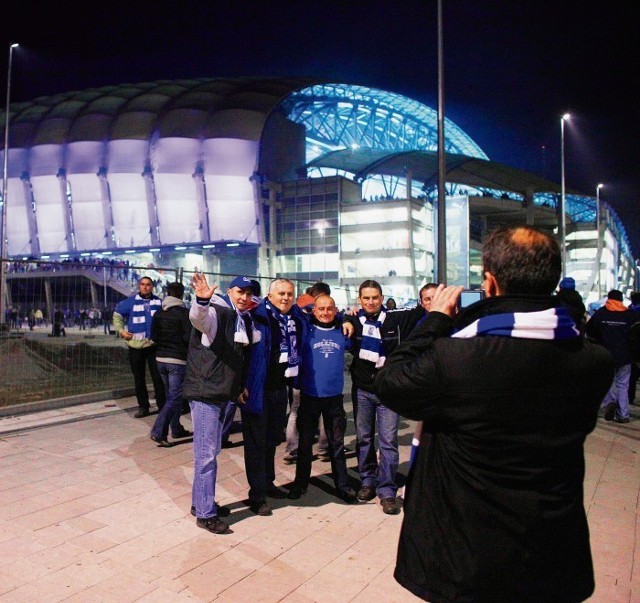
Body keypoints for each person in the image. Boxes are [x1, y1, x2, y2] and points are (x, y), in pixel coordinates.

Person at [374, 225, 615, 602]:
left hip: (468, 555)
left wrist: (436, 319)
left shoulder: (457, 358)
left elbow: (390, 382)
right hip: (552, 549)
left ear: (489, 282)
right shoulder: (594, 360)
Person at [183, 274, 260, 535]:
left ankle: (200, 503)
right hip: (206, 393)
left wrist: (239, 388)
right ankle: (205, 514)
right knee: (205, 455)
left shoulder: (241, 317)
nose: (245, 297)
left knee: (209, 452)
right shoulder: (217, 313)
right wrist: (202, 301)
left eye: (249, 294)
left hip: (221, 393)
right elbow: (199, 319)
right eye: (240, 292)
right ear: (229, 291)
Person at [343, 279, 424, 514]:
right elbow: (327, 318)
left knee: (388, 442)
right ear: (360, 299)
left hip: (388, 392)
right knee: (364, 439)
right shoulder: (353, 322)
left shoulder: (395, 320)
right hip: (363, 391)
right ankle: (368, 481)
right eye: (366, 298)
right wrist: (346, 318)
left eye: (375, 297)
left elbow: (420, 310)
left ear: (381, 298)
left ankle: (387, 490)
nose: (370, 302)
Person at [242, 278, 305, 516]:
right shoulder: (256, 317)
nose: (286, 297)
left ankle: (267, 483)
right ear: (269, 296)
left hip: (280, 390)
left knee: (271, 441)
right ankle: (256, 496)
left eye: (290, 293)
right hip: (257, 391)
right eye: (281, 293)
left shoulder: (294, 318)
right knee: (256, 445)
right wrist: (240, 386)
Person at [287, 294, 357, 503]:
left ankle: (342, 485)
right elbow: (294, 311)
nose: (325, 312)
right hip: (309, 396)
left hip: (334, 398)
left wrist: (348, 318)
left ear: (335, 310)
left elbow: (360, 317)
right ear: (314, 311)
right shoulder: (306, 331)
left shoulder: (343, 332)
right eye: (321, 309)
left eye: (330, 308)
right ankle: (300, 484)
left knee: (336, 444)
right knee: (305, 444)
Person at [113, 276, 166, 418]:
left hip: (154, 347)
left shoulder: (159, 303)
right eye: (142, 284)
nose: (145, 287)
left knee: (158, 378)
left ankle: (162, 405)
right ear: (139, 286)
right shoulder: (130, 302)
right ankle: (143, 407)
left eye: (148, 284)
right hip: (135, 348)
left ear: (152, 287)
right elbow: (117, 315)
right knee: (139, 378)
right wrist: (122, 331)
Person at [148, 282, 194, 446]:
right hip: (177, 361)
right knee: (175, 397)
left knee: (171, 396)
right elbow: (189, 338)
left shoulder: (159, 313)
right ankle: (159, 431)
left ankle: (176, 428)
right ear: (181, 295)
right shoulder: (184, 313)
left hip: (160, 360)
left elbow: (153, 335)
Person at [586, 289, 640, 423]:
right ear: (621, 300)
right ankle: (623, 414)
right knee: (623, 384)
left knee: (606, 381)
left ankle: (609, 402)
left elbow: (590, 330)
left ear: (608, 299)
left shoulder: (601, 313)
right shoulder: (630, 315)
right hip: (625, 355)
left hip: (606, 354)